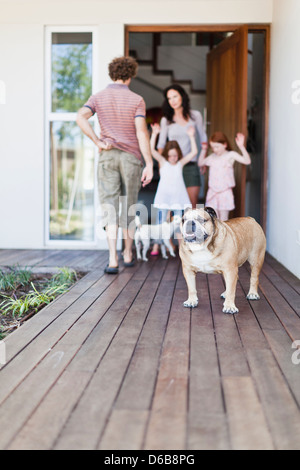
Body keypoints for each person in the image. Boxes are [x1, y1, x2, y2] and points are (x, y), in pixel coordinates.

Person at [76, 56, 153, 274]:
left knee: (110, 206)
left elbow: (80, 117)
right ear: (131, 76)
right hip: (130, 158)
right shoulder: (137, 99)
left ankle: (112, 259)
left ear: (112, 74)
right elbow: (141, 132)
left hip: (108, 156)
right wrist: (149, 163)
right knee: (129, 205)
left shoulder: (98, 97)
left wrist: (97, 141)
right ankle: (128, 253)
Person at [156, 84, 207, 208]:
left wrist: (203, 159)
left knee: (192, 204)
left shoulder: (195, 116)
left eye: (175, 96)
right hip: (173, 166)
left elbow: (203, 138)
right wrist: (161, 168)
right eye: (169, 98)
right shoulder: (166, 120)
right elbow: (161, 145)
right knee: (173, 205)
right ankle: (175, 227)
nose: (172, 101)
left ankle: (190, 228)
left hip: (190, 165)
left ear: (182, 97)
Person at [150, 123, 197, 254]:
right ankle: (156, 246)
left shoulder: (180, 164)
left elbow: (194, 152)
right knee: (160, 223)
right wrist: (154, 134)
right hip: (164, 196)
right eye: (170, 155)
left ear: (178, 155)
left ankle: (182, 247)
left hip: (178, 197)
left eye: (175, 155)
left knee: (178, 223)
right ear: (166, 154)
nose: (173, 158)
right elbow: (152, 151)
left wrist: (191, 137)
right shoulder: (163, 162)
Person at [198, 131, 251, 221]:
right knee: (213, 219)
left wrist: (241, 146)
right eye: (213, 147)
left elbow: (247, 161)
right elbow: (200, 163)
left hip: (224, 192)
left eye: (217, 147)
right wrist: (203, 150)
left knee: (223, 220)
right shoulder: (212, 157)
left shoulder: (230, 155)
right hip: (212, 192)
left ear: (224, 145)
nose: (215, 149)